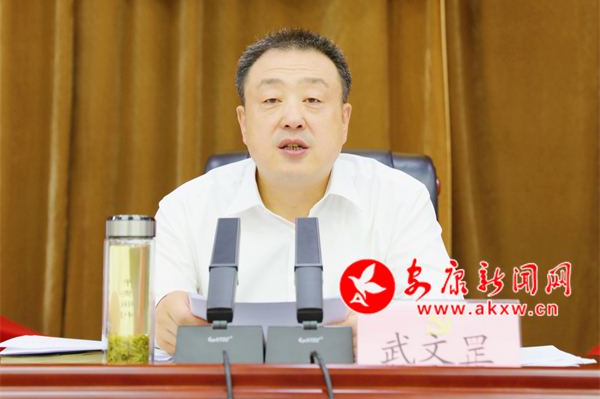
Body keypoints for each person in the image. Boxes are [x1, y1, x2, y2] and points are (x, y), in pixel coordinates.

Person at [154, 28, 455, 355]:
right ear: (243, 123)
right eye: (271, 100)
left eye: (313, 100)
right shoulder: (184, 208)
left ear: (344, 120)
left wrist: (382, 331)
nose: (293, 119)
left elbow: (444, 321)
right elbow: (159, 317)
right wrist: (163, 321)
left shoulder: (401, 200)